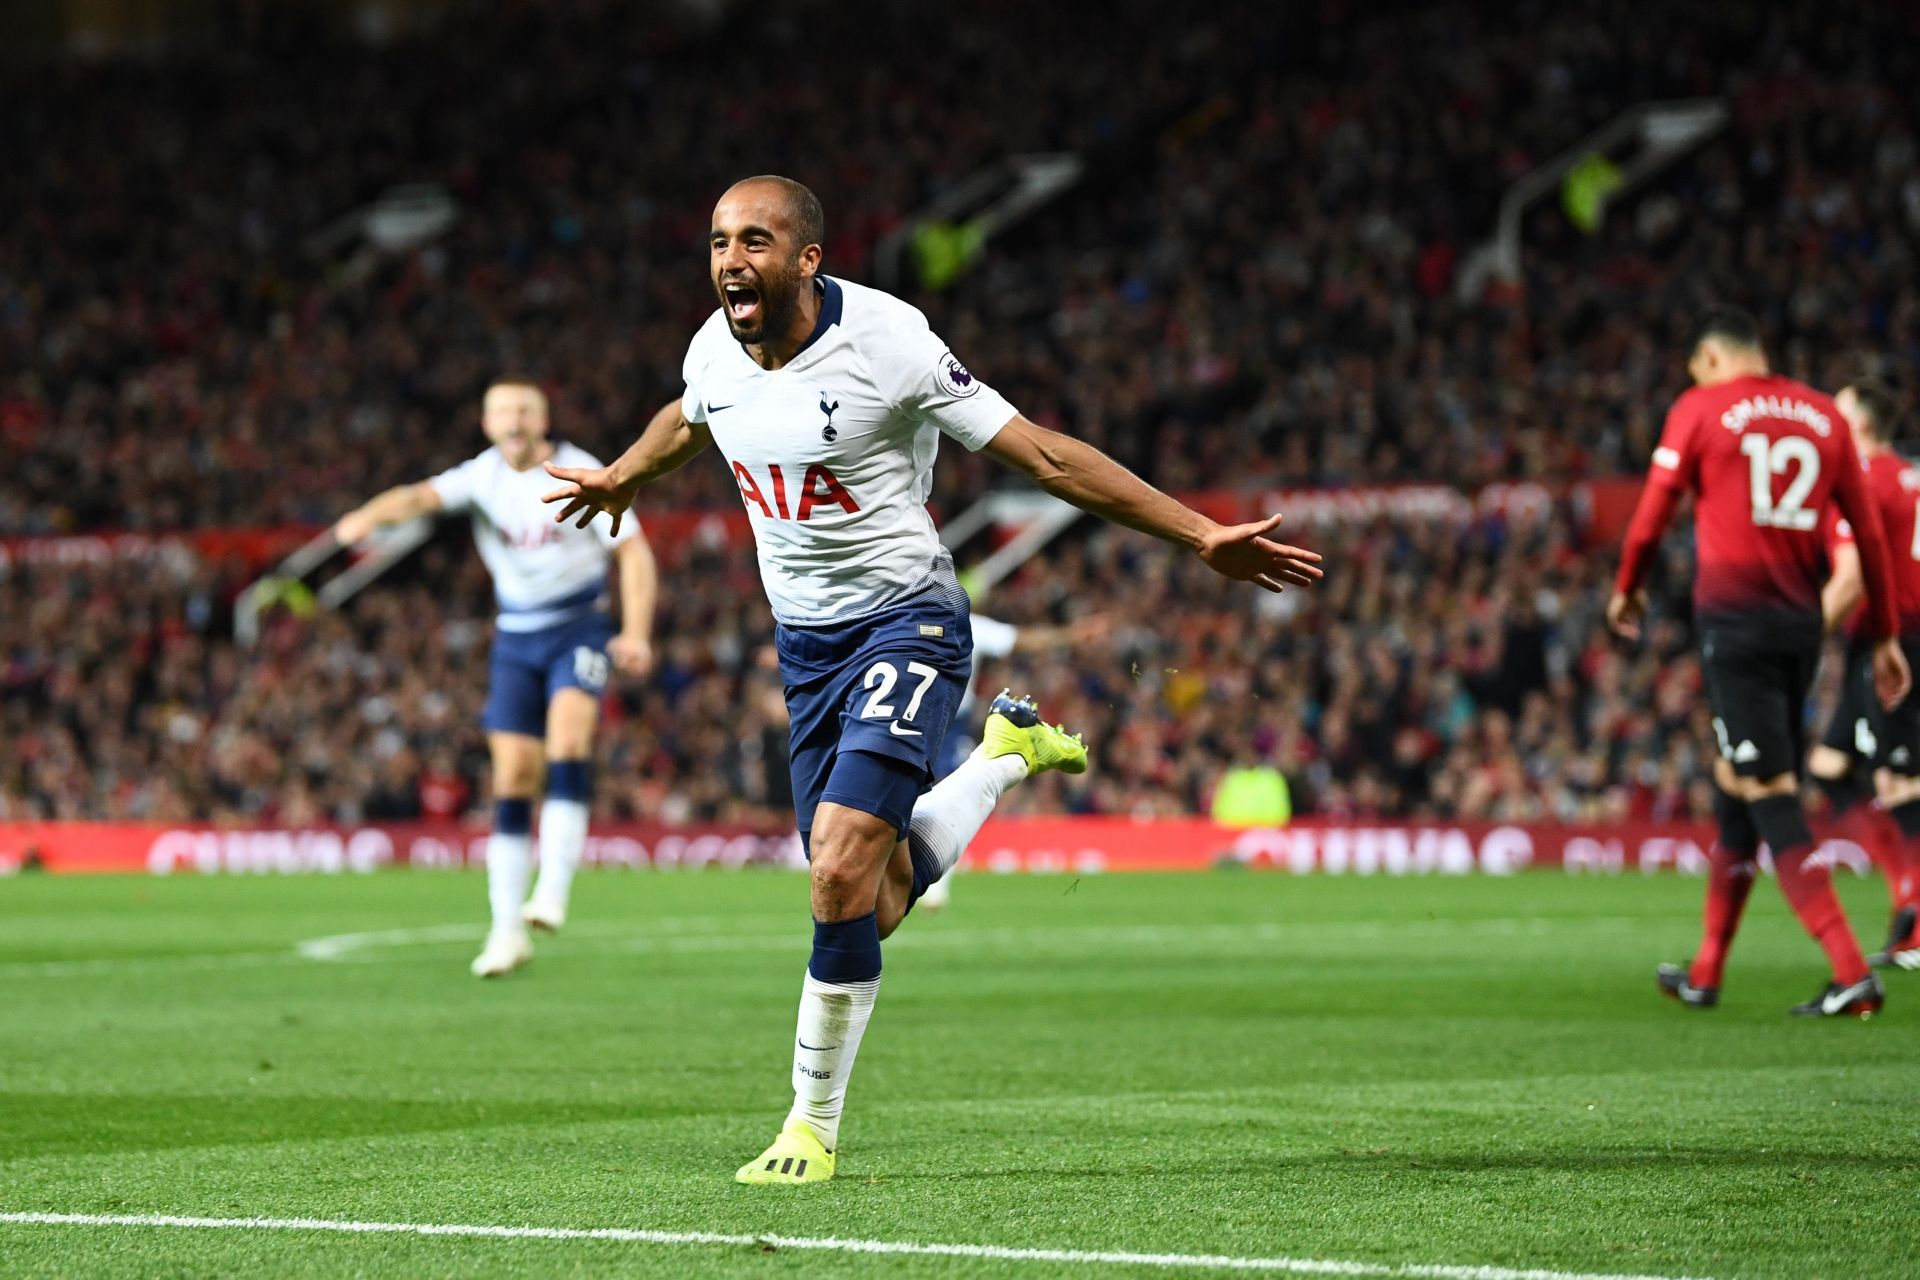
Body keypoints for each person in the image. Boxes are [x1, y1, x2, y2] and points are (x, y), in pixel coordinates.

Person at [543, 175, 1322, 1183]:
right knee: (870, 901)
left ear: (808, 259)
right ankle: (1003, 758)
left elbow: (1042, 454)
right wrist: (622, 472)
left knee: (834, 867)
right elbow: (687, 417)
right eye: (719, 240)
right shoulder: (712, 347)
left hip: (908, 619)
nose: (731, 258)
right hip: (807, 649)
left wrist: (1200, 531)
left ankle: (808, 1127)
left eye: (756, 240)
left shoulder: (888, 342)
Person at [1609, 308, 1910, 1018]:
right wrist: (1885, 634)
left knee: (1769, 788)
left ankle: (1848, 971)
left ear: (1711, 358)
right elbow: (1866, 535)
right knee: (1735, 780)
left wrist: (1628, 587)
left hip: (1734, 624)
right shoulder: (1821, 414)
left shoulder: (1702, 406)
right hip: (1801, 626)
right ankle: (1708, 970)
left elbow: (1654, 509)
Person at [334, 379, 657, 977]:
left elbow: (634, 553)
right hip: (516, 635)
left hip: (578, 626)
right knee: (511, 776)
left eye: (524, 410)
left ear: (543, 419)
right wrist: (364, 519)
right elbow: (416, 498)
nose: (514, 420)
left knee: (566, 743)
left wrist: (635, 633)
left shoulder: (579, 471)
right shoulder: (481, 477)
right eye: (502, 411)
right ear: (486, 424)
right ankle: (507, 929)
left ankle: (552, 891)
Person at [1808, 379, 1920, 965]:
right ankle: (1906, 898)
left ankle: (1918, 922)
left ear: (1864, 424)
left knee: (1901, 782)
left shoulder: (1868, 479)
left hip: (1893, 641)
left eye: (1839, 410)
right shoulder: (1908, 473)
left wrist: (1800, 641)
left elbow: (1851, 580)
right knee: (1831, 766)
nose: (1828, 416)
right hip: (1884, 639)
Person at [920, 611, 1113, 910]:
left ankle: (937, 883)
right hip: (911, 718)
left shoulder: (965, 622)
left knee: (955, 787)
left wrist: (1071, 635)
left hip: (952, 720)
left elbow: (1019, 640)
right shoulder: (900, 616)